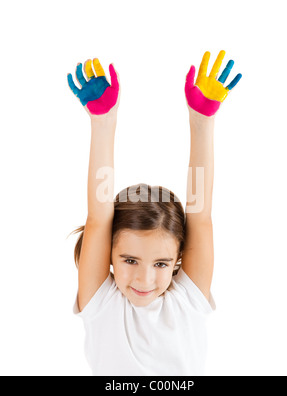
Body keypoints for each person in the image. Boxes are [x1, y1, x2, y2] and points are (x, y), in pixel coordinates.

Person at [67, 51, 242, 376]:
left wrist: (202, 121)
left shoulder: (188, 297)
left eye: (161, 264)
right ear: (110, 253)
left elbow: (200, 215)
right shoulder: (100, 302)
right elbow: (99, 217)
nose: (145, 279)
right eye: (130, 260)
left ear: (178, 257)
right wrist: (103, 122)